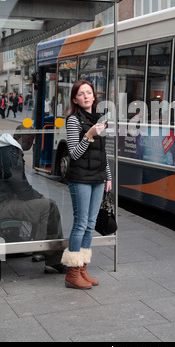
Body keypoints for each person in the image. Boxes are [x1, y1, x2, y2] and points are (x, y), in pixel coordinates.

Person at [61, 80, 112, 290]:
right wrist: (89, 136)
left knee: (91, 224)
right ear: (75, 99)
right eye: (81, 94)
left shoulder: (99, 119)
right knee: (81, 223)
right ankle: (72, 273)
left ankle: (82, 269)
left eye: (89, 92)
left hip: (98, 178)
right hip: (80, 178)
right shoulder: (73, 120)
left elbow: (103, 154)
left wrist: (108, 176)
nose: (86, 96)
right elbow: (74, 153)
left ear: (94, 96)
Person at [0, 127, 66, 274]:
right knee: (49, 207)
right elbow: (20, 185)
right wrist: (40, 197)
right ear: (17, 135)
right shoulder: (10, 152)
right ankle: (52, 259)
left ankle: (39, 249)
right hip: (3, 204)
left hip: (4, 199)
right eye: (28, 139)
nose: (30, 143)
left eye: (32, 140)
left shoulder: (5, 148)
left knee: (40, 205)